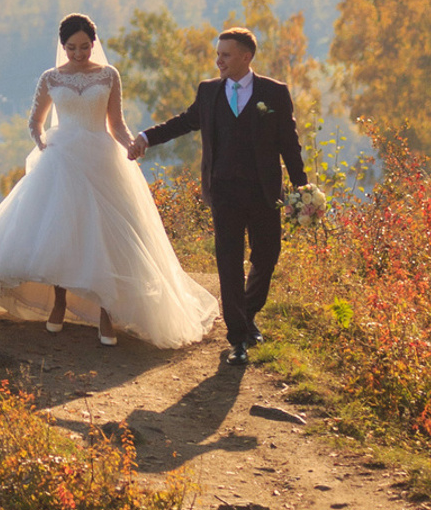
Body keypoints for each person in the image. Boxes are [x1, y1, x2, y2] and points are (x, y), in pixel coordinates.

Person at [0, 13, 220, 349]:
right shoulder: (51, 78)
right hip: (62, 159)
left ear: (93, 44)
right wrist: (44, 146)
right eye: (72, 48)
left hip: (102, 159)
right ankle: (59, 301)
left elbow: (116, 123)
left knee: (106, 235)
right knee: (62, 231)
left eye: (84, 47)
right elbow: (35, 122)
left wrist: (130, 144)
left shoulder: (109, 75)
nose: (79, 53)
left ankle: (106, 311)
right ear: (63, 46)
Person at [128, 27, 306, 365]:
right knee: (228, 262)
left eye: (225, 55)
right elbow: (184, 122)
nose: (218, 61)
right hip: (223, 191)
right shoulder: (209, 91)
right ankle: (237, 338)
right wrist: (146, 138)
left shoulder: (274, 92)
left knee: (267, 256)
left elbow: (289, 142)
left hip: (265, 192)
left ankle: (248, 312)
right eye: (218, 54)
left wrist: (302, 187)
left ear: (246, 57)